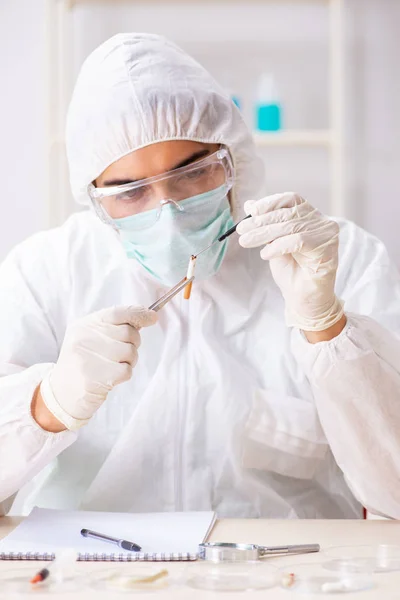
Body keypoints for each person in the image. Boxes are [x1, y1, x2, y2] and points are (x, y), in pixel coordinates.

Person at [1, 33, 400, 519]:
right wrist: (48, 405)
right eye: (129, 192)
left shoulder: (337, 258)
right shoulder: (45, 274)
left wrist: (327, 328)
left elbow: (395, 494)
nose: (168, 213)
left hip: (289, 577)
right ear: (95, 200)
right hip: (94, 574)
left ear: (231, 158)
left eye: (192, 173)